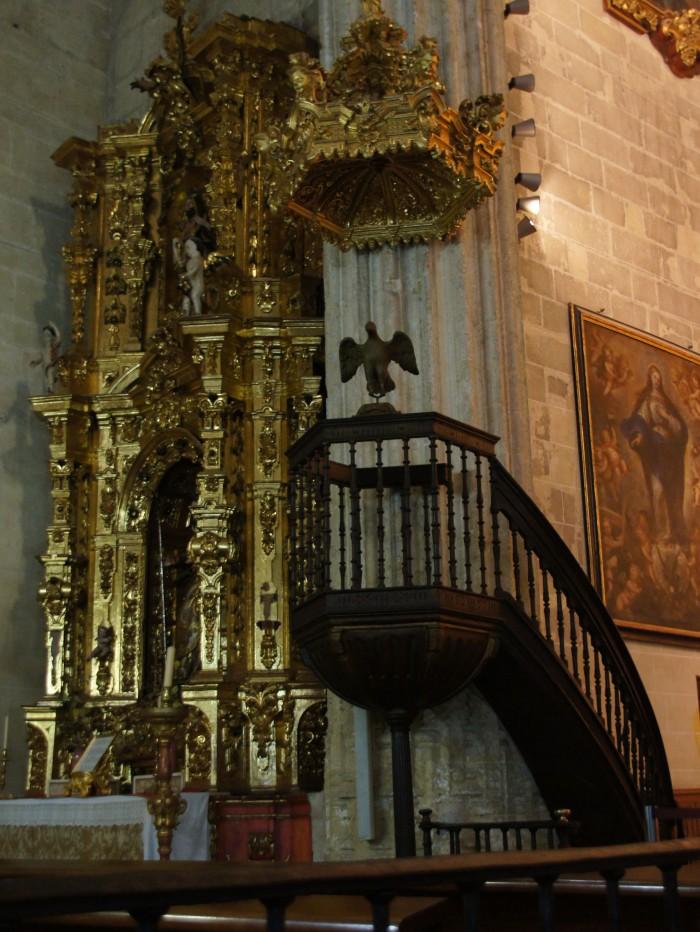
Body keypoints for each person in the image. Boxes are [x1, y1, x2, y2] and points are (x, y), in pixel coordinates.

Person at [621, 364, 688, 542]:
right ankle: (661, 531)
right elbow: (640, 422)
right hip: (654, 452)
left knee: (671, 492)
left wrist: (667, 418)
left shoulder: (666, 403)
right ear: (649, 380)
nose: (656, 380)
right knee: (658, 490)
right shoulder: (647, 401)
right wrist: (639, 435)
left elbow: (680, 430)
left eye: (658, 377)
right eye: (654, 377)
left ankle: (674, 531)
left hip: (670, 453)